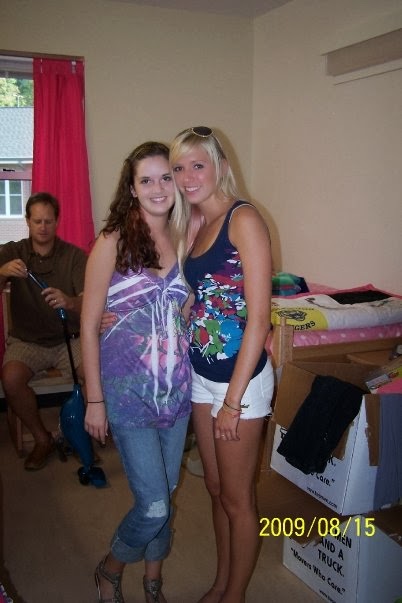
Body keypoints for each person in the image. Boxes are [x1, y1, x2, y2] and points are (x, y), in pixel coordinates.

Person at [81, 141, 192, 603]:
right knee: (153, 504)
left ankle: (153, 580)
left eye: (166, 177)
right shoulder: (112, 242)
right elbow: (88, 326)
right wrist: (94, 400)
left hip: (177, 392)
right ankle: (109, 569)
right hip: (127, 394)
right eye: (146, 179)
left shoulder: (186, 237)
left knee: (167, 492)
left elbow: (187, 310)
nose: (158, 187)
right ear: (131, 187)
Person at [169, 126, 274, 603]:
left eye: (198, 165)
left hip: (240, 384)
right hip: (200, 375)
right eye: (179, 168)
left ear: (221, 167)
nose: (188, 177)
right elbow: (207, 292)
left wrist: (232, 403)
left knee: (238, 499)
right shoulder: (197, 222)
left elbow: (258, 319)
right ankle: (220, 582)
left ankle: (235, 596)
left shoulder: (243, 219)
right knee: (214, 487)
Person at [0, 192, 87, 471]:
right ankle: (43, 439)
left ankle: (79, 435)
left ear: (57, 221)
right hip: (27, 341)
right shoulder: (13, 251)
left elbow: (89, 301)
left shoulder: (74, 256)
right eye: (37, 221)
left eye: (48, 221)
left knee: (94, 375)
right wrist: (3, 271)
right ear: (27, 221)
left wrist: (69, 301)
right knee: (10, 379)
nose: (43, 227)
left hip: (68, 338)